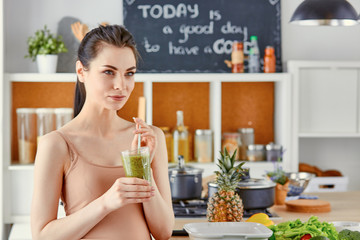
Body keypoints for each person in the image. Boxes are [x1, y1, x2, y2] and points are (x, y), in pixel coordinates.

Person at [31, 24, 174, 240]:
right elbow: (42, 235)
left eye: (129, 74)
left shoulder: (148, 138)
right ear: (81, 71)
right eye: (109, 72)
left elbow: (163, 232)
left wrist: (141, 167)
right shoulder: (57, 144)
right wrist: (106, 202)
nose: (121, 85)